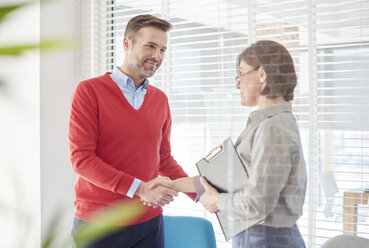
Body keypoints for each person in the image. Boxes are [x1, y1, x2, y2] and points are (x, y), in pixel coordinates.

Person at [149, 40, 307, 247]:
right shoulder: (263, 125)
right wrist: (174, 184)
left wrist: (216, 202)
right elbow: (228, 182)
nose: (237, 83)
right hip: (257, 235)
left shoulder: (273, 129)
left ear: (262, 74)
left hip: (267, 239)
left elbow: (258, 203)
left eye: (241, 73)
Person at [68, 14, 195, 248]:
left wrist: (200, 193)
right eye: (150, 46)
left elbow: (164, 159)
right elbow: (82, 159)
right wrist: (140, 189)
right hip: (99, 224)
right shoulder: (89, 91)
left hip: (150, 222)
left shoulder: (160, 100)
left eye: (163, 50)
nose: (157, 56)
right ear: (127, 44)